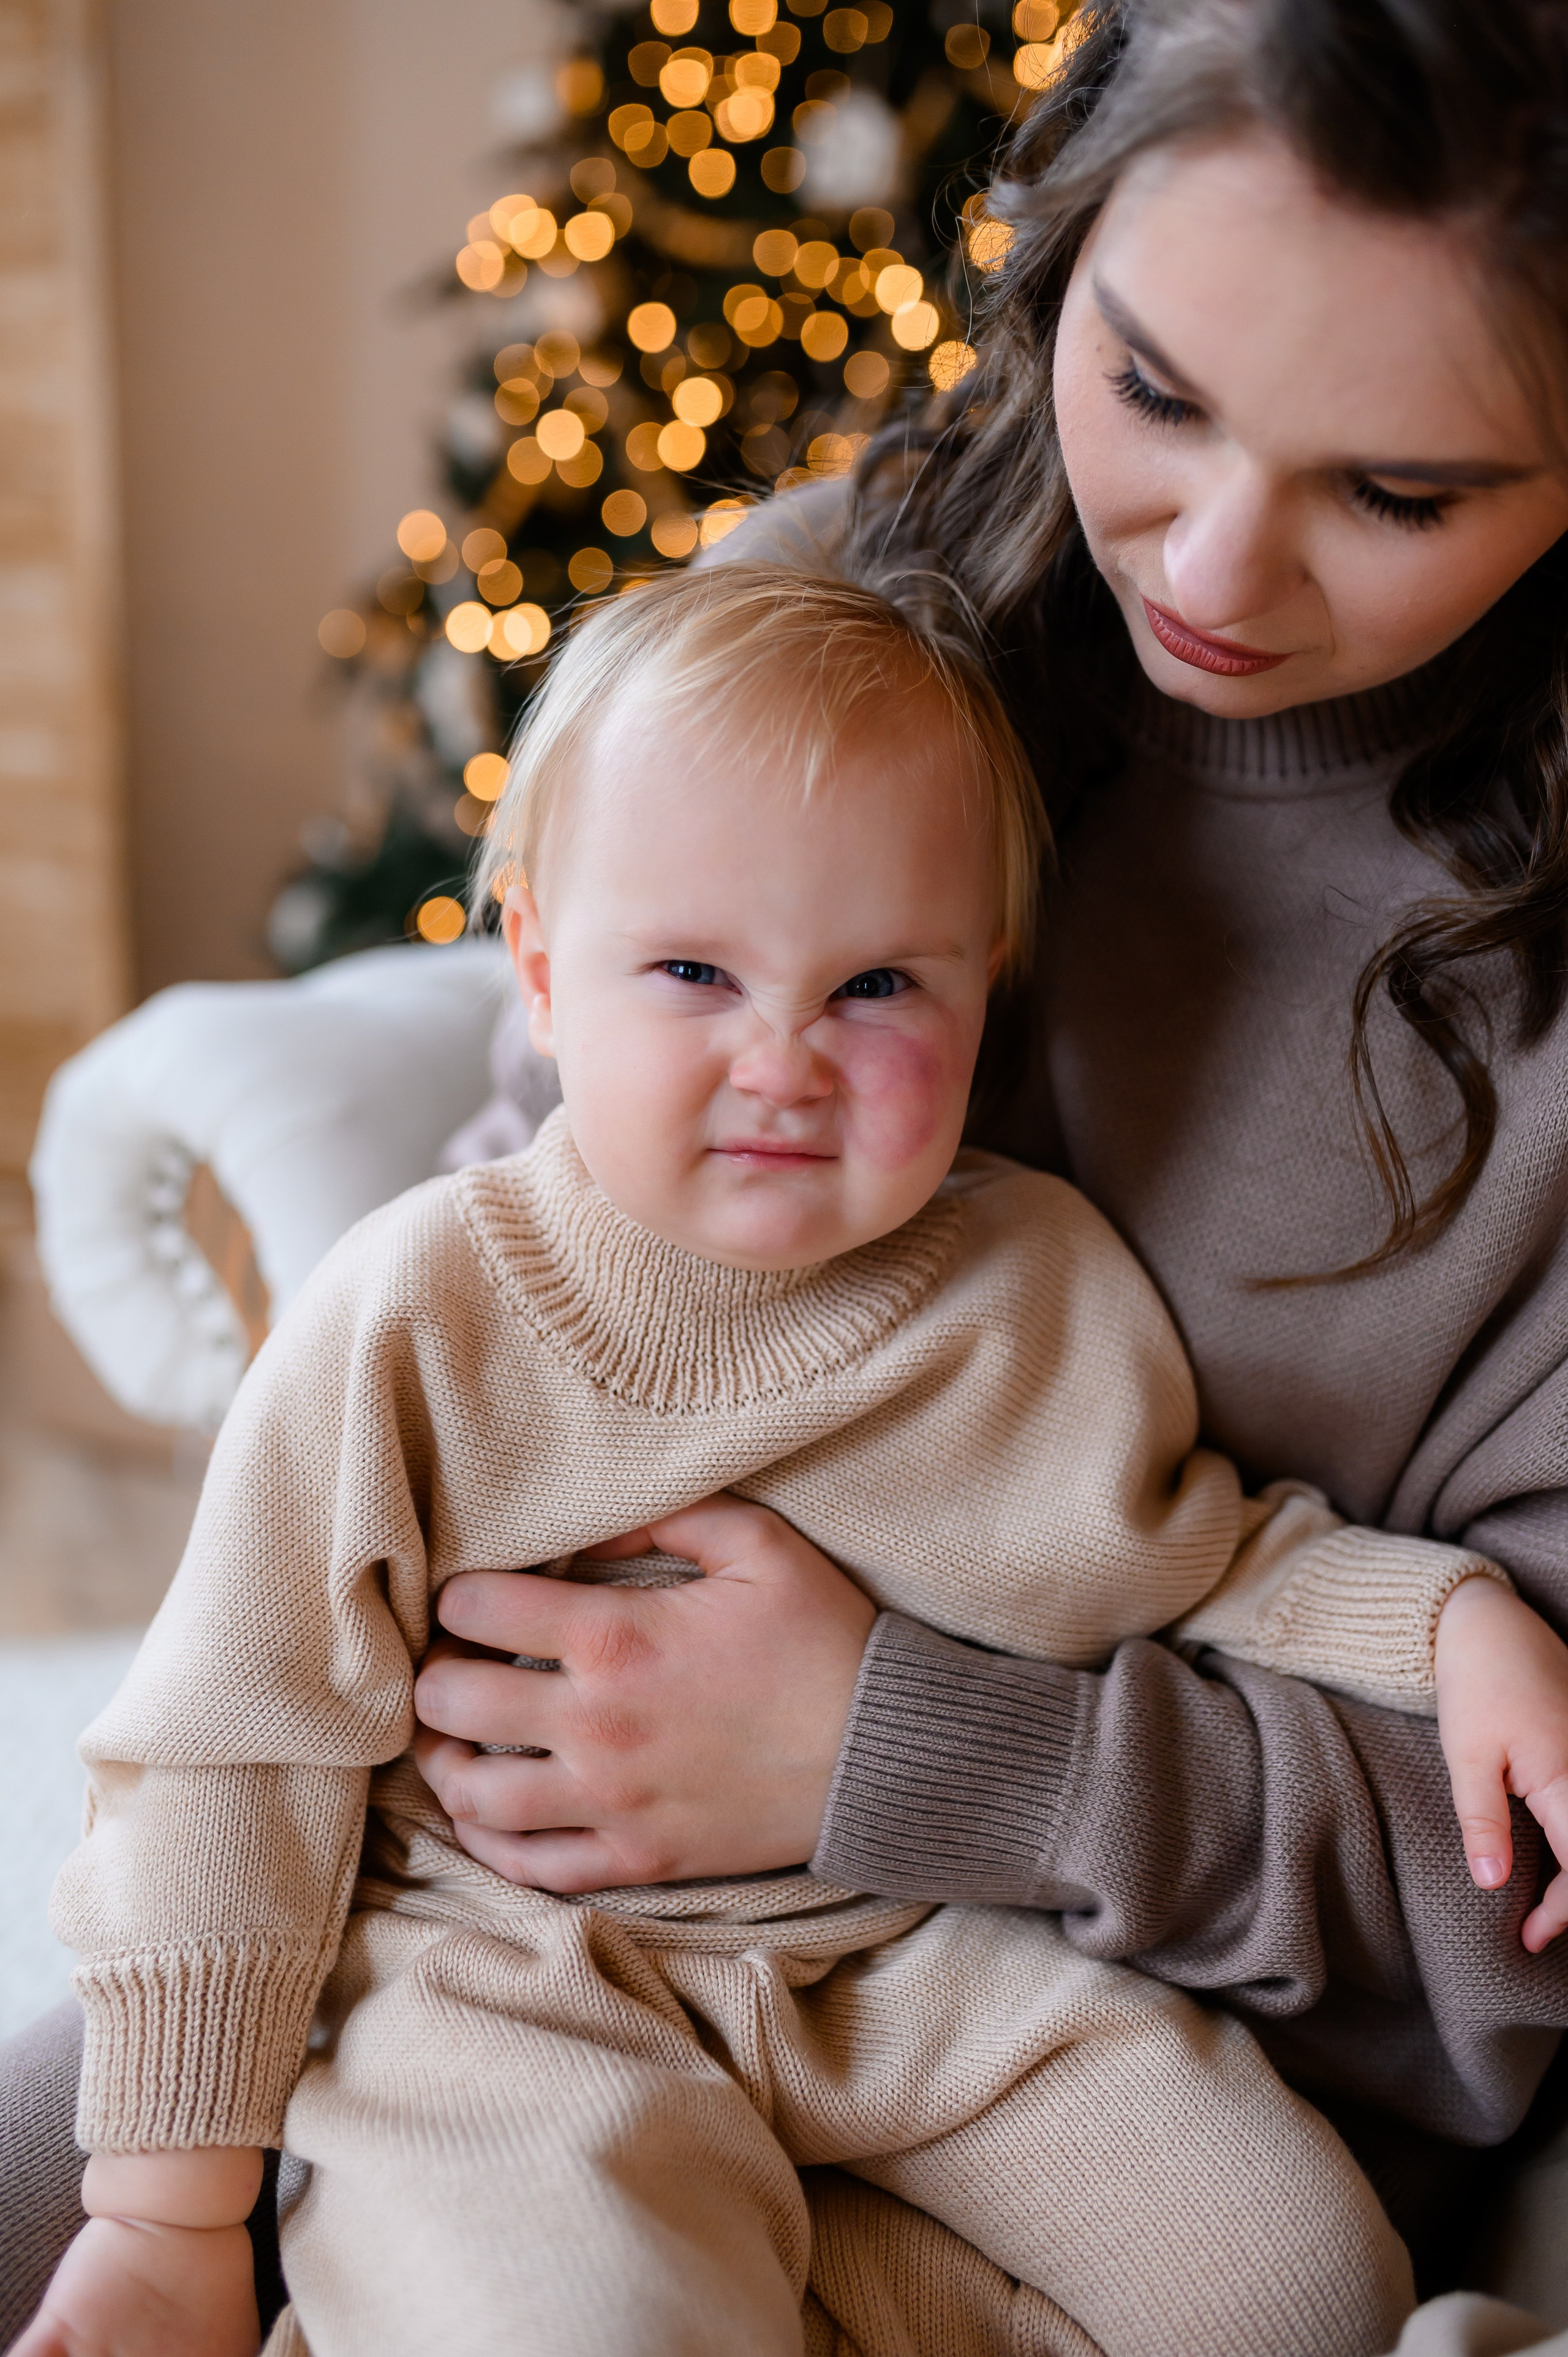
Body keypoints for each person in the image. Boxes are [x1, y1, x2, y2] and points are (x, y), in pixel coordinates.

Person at [5, 0, 1568, 2345]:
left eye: (1401, 490)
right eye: (1150, 389)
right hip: (508, 1947)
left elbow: (1241, 1585)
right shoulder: (860, 597)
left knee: (1284, 2290)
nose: (1215, 562)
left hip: (1003, 1984)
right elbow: (308, 1680)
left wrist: (909, 1744)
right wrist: (152, 2191)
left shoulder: (1042, 1284)